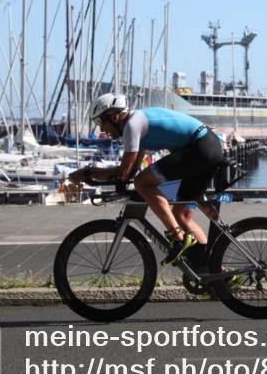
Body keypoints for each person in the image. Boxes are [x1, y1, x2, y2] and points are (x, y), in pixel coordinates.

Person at [68, 93, 224, 264]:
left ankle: (177, 238)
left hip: (200, 150)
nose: (101, 130)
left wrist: (87, 173)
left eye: (101, 123)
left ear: (114, 116)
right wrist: (104, 177)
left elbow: (124, 172)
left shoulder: (132, 125)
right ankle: (214, 269)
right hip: (206, 148)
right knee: (182, 215)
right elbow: (132, 169)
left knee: (143, 182)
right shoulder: (137, 125)